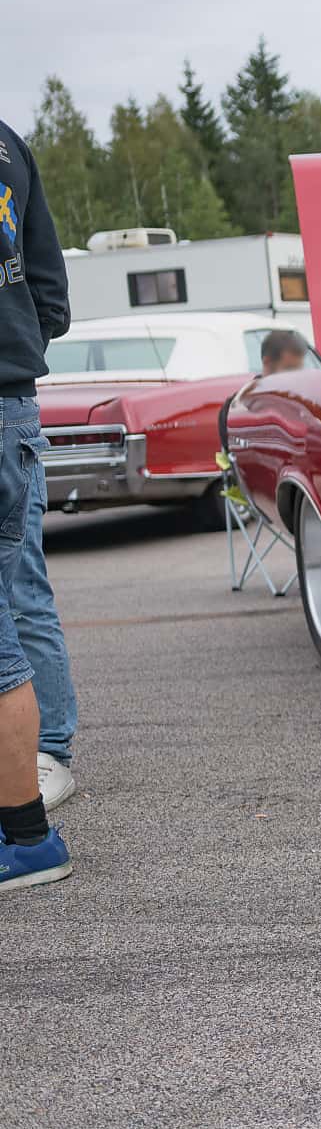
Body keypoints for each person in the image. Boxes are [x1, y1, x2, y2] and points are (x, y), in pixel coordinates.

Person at [0, 119, 78, 894]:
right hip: (13, 403)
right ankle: (37, 760)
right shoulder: (9, 142)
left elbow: (47, 289)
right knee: (21, 589)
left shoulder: (8, 145)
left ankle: (44, 764)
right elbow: (49, 289)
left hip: (5, 401)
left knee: (16, 599)